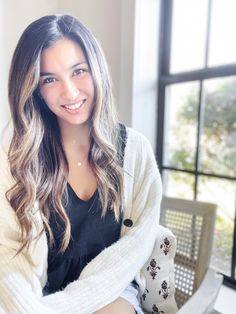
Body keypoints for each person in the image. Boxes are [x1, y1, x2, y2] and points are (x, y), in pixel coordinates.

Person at [0, 14, 162, 313]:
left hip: (113, 289)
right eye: (49, 79)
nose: (70, 92)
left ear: (97, 69)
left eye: (79, 71)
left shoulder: (135, 150)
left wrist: (65, 307)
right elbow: (7, 253)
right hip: (39, 298)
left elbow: (137, 243)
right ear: (34, 88)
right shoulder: (16, 158)